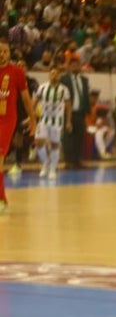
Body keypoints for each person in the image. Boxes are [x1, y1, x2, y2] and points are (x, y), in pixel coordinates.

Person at [0, 38, 38, 210]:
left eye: (5, 51)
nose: (2, 54)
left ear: (9, 53)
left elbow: (26, 98)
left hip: (7, 121)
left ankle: (2, 201)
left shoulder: (16, 72)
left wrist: (33, 119)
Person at [33, 64, 69, 179]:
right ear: (49, 75)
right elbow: (35, 101)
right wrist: (31, 116)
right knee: (38, 142)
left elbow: (68, 106)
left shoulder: (64, 89)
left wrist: (68, 121)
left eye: (57, 74)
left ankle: (53, 168)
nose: (54, 75)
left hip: (57, 121)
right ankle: (45, 163)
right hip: (43, 119)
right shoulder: (42, 87)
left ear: (59, 76)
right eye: (52, 73)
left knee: (55, 144)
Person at [61, 56, 89, 168]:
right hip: (67, 113)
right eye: (73, 65)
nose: (75, 67)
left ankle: (78, 160)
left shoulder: (84, 80)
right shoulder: (64, 79)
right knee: (68, 138)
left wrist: (86, 111)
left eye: (77, 65)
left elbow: (86, 96)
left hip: (80, 113)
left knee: (79, 137)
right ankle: (68, 161)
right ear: (69, 67)